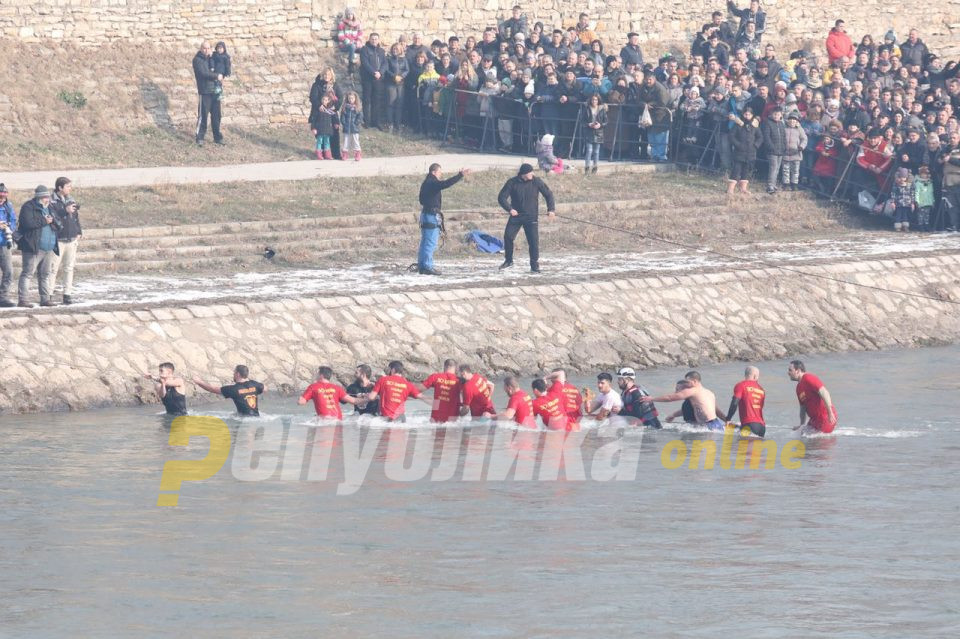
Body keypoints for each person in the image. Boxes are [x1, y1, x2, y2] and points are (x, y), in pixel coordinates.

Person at [497, 163, 556, 273]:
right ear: (523, 174)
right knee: (508, 237)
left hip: (531, 217)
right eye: (530, 173)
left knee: (533, 242)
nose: (532, 174)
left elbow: (548, 194)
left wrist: (551, 209)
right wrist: (510, 209)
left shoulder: (536, 181)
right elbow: (501, 197)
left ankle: (534, 265)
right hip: (516, 216)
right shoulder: (512, 182)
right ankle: (508, 260)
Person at [417, 163, 470, 275]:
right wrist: (460, 175)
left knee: (425, 242)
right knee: (430, 243)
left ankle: (422, 265)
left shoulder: (425, 183)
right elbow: (446, 184)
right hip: (431, 216)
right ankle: (427, 266)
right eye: (440, 172)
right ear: (434, 172)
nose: (441, 174)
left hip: (425, 214)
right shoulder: (432, 183)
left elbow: (421, 200)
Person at [16, 185, 60, 308]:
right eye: (46, 197)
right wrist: (44, 221)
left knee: (45, 274)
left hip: (49, 247)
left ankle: (45, 299)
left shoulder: (50, 207)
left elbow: (55, 221)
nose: (48, 199)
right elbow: (27, 224)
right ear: (40, 197)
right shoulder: (28, 207)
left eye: (48, 197)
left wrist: (54, 221)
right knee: (28, 273)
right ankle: (23, 300)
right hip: (33, 247)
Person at [645, 371, 725, 431]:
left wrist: (652, 399)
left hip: (706, 426)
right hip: (716, 424)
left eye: (687, 382)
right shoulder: (709, 392)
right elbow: (716, 410)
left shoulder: (693, 390)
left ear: (694, 381)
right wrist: (727, 420)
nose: (686, 384)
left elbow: (670, 398)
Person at [48, 177, 82, 305]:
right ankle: (49, 294)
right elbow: (53, 217)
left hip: (71, 239)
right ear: (60, 188)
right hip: (58, 239)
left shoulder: (71, 199)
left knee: (69, 267)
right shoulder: (51, 201)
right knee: (53, 268)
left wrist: (79, 231)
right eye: (67, 186)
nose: (70, 188)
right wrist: (64, 211)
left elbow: (75, 217)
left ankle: (67, 294)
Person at [193, 364, 265, 417]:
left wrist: (199, 382)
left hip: (244, 419)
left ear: (237, 374)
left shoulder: (233, 389)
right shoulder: (255, 385)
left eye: (234, 373)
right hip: (257, 417)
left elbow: (212, 389)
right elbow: (265, 388)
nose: (233, 374)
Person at [788, 360, 838, 434]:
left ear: (798, 371)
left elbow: (824, 392)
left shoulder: (809, 378)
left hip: (826, 417)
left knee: (817, 442)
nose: (788, 373)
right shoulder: (798, 388)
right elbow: (803, 408)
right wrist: (801, 425)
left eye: (790, 370)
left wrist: (830, 413)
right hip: (814, 420)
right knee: (801, 434)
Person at [192, 41, 223, 146]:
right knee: (203, 116)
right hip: (205, 91)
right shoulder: (197, 60)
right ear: (201, 48)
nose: (206, 50)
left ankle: (217, 138)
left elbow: (222, 64)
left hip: (215, 91)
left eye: (208, 48)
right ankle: (199, 138)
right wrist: (216, 76)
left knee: (217, 115)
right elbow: (203, 73)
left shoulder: (212, 59)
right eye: (204, 48)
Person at [728, 106, 762, 195]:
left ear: (752, 115)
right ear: (743, 114)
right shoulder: (738, 124)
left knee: (746, 171)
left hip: (750, 152)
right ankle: (730, 189)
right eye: (745, 114)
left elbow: (760, 137)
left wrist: (755, 146)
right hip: (739, 152)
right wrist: (738, 145)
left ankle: (743, 189)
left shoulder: (755, 125)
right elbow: (731, 136)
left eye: (749, 114)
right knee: (736, 170)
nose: (747, 116)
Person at [725, 366, 766, 438]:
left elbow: (735, 402)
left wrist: (728, 419)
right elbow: (759, 408)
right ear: (755, 376)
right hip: (762, 427)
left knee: (742, 448)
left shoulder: (741, 385)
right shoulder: (761, 389)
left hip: (749, 424)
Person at [420, 358, 462, 423]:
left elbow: (419, 389)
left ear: (445, 366)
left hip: (435, 419)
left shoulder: (435, 377)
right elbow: (468, 398)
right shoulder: (459, 381)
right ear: (455, 368)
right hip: (453, 420)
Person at [359, 33, 387, 129]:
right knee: (367, 100)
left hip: (378, 79)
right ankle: (366, 122)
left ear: (378, 40)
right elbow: (365, 63)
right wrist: (374, 72)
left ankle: (376, 122)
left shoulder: (382, 51)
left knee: (377, 101)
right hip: (367, 79)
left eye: (376, 39)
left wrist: (380, 72)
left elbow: (384, 64)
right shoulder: (364, 50)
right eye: (372, 39)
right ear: (369, 40)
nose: (374, 41)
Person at [762, 106, 787, 193]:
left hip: (780, 150)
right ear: (771, 114)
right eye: (775, 114)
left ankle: (774, 184)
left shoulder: (781, 124)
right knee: (773, 167)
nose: (776, 116)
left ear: (781, 115)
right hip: (772, 150)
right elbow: (766, 137)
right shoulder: (768, 123)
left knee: (777, 168)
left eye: (778, 115)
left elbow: (784, 136)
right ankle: (770, 185)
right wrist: (771, 147)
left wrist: (784, 146)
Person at [0, 184, 16, 307]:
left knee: (9, 271)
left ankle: (3, 297)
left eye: (4, 195)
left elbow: (14, 221)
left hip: (5, 243)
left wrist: (9, 228)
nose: (2, 198)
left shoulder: (8, 206)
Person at [309, 94, 340, 160]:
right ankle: (319, 154)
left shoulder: (330, 110)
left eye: (326, 100)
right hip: (320, 129)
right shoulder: (318, 110)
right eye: (323, 99)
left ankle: (328, 155)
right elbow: (314, 120)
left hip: (328, 129)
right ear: (321, 100)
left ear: (328, 101)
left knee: (327, 141)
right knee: (319, 141)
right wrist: (313, 128)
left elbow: (334, 117)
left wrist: (336, 123)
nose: (324, 101)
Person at [582, 93, 607, 174]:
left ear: (598, 100)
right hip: (589, 131)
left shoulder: (602, 109)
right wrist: (589, 124)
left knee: (596, 151)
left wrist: (600, 125)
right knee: (589, 150)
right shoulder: (586, 108)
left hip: (599, 132)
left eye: (596, 99)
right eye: (593, 99)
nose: (594, 101)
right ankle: (587, 167)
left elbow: (606, 121)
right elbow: (582, 121)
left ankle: (595, 167)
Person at [337, 8, 363, 75]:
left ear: (353, 15)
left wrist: (358, 42)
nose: (349, 16)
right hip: (344, 44)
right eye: (348, 14)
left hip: (355, 44)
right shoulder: (342, 24)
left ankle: (363, 66)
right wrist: (349, 42)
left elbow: (360, 34)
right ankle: (351, 65)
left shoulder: (358, 24)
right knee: (352, 46)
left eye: (351, 14)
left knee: (364, 49)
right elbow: (341, 36)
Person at [340, 90, 364, 161]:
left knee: (356, 141)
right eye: (349, 98)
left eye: (352, 98)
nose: (351, 100)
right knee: (345, 141)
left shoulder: (358, 108)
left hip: (355, 128)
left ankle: (357, 154)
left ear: (355, 99)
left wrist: (356, 123)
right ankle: (345, 154)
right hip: (346, 128)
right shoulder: (345, 108)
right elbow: (342, 117)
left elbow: (360, 117)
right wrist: (344, 123)